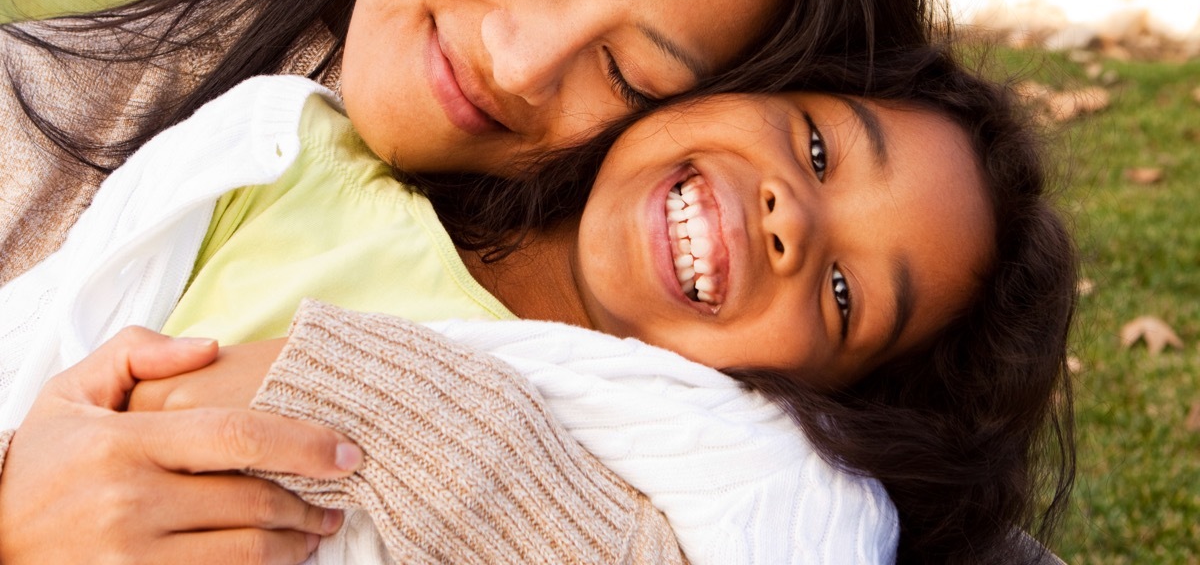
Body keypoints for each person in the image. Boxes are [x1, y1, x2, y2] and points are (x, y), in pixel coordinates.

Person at [0, 0, 947, 561]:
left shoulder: (661, 330)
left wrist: (462, 444)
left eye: (628, 72)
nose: (519, 62)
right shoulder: (68, 108)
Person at [1, 45, 1077, 564]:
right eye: (817, 144)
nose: (795, 217)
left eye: (844, 292)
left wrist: (401, 412)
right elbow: (54, 333)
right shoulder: (305, 159)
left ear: (829, 398)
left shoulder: (726, 464)